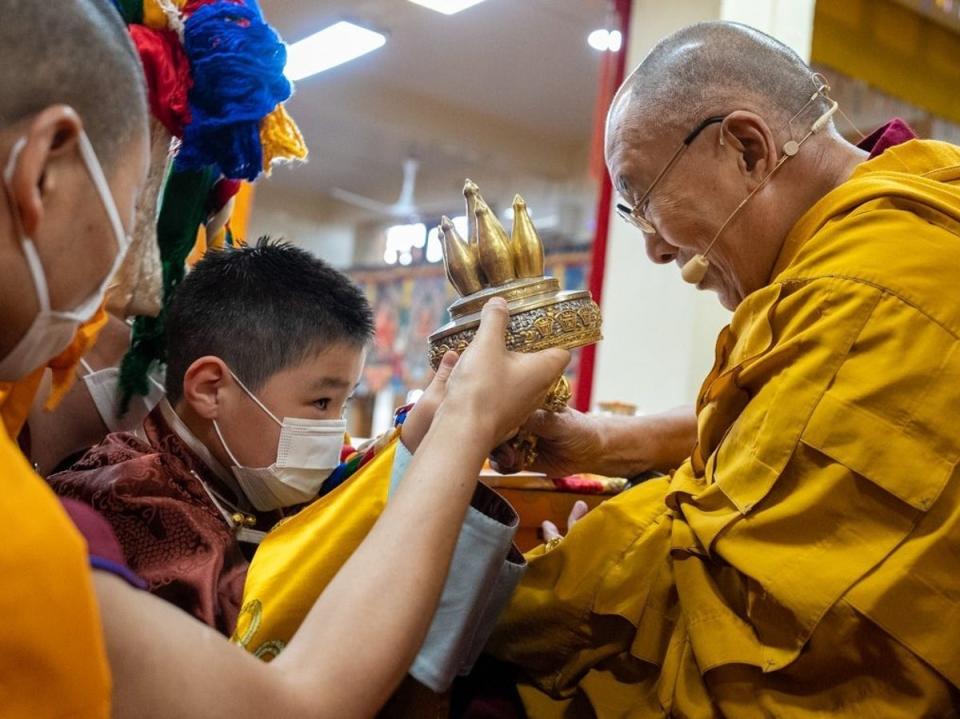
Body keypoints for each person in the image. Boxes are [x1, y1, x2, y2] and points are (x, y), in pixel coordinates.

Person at [0, 2, 570, 716]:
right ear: (41, 172)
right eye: (129, 222)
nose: (133, 286)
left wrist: (428, 432)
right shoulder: (100, 516)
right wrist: (468, 422)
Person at [487, 21, 960, 717]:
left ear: (747, 148)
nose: (652, 247)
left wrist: (539, 586)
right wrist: (605, 441)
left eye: (647, 203)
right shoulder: (910, 202)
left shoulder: (872, 289)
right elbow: (779, 421)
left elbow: (755, 604)